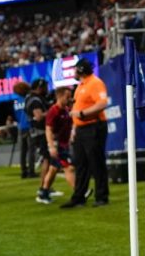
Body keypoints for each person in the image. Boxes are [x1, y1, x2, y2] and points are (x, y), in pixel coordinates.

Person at [61, 58, 109, 208]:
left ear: (81, 70)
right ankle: (79, 197)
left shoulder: (95, 83)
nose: (74, 72)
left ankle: (102, 197)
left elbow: (102, 103)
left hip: (93, 126)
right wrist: (74, 129)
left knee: (96, 162)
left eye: (75, 69)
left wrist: (83, 114)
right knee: (80, 164)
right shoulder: (81, 86)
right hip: (82, 129)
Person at [37, 87, 76, 205]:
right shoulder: (53, 111)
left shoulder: (65, 109)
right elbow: (48, 129)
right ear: (59, 97)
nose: (69, 99)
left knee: (53, 169)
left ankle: (43, 192)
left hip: (63, 144)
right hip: (57, 145)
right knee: (68, 167)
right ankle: (79, 191)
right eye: (67, 97)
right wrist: (51, 146)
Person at [26, 79, 51, 190]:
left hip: (36, 132)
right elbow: (39, 116)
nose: (47, 89)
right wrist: (54, 110)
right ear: (39, 87)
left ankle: (46, 186)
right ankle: (44, 187)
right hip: (40, 132)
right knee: (47, 159)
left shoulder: (30, 98)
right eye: (45, 87)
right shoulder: (35, 100)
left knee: (47, 159)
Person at [13, 81, 36, 178]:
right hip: (30, 125)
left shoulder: (16, 102)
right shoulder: (28, 99)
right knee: (31, 150)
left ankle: (23, 171)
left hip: (21, 127)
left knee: (23, 150)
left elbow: (16, 116)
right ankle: (31, 171)